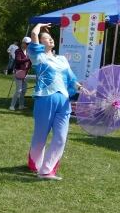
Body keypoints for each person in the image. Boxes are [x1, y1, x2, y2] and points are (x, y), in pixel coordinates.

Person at [26, 23, 83, 180]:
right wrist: (38, 26)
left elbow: (71, 78)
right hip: (45, 99)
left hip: (64, 101)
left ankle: (46, 170)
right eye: (46, 38)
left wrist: (80, 87)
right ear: (40, 42)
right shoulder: (37, 57)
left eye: (51, 38)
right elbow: (34, 34)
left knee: (61, 137)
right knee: (40, 136)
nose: (50, 40)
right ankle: (34, 164)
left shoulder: (62, 59)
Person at [10, 36, 33, 110]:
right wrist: (28, 59)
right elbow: (18, 61)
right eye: (27, 44)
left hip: (25, 72)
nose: (28, 45)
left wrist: (29, 65)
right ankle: (12, 106)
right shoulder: (18, 51)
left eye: (29, 44)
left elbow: (29, 62)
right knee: (18, 90)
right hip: (19, 71)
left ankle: (21, 105)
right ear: (23, 43)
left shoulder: (28, 51)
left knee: (24, 90)